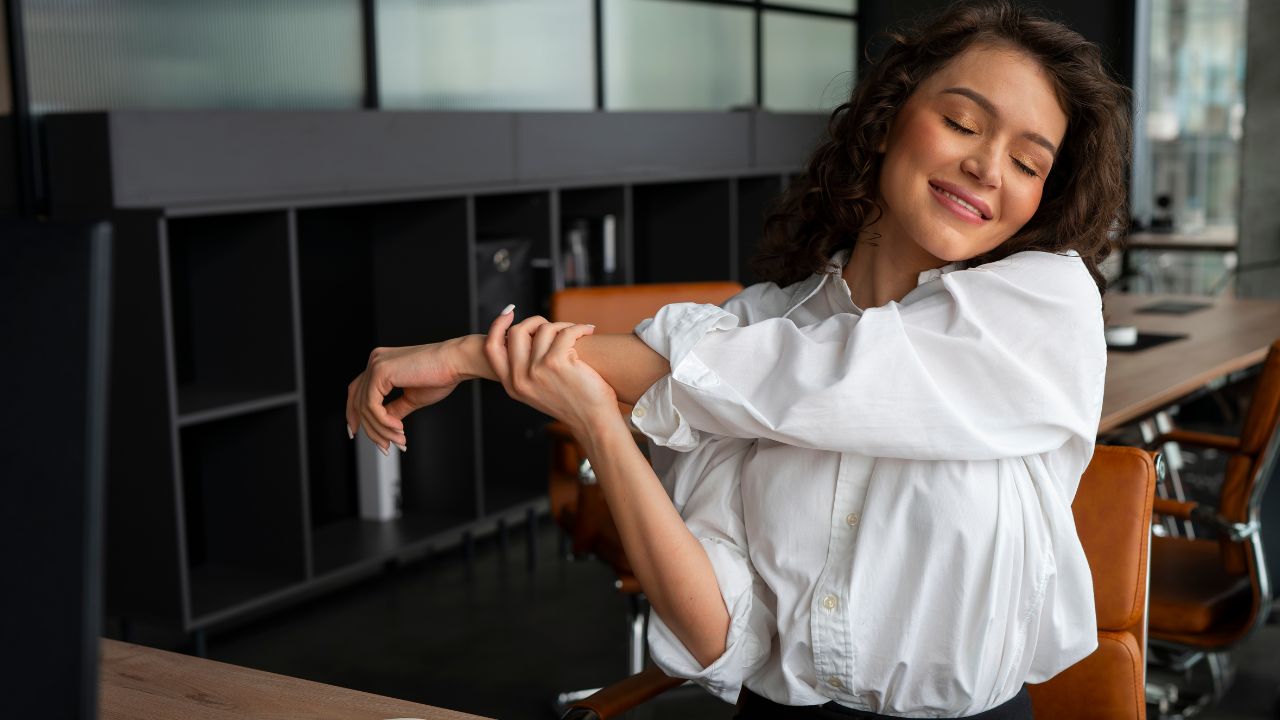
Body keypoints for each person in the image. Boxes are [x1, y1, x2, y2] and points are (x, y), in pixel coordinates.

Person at [345, 1, 1131, 716]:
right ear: (890, 119)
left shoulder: (1046, 306)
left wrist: (472, 355)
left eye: (1029, 163)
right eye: (963, 121)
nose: (990, 168)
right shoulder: (743, 335)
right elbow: (721, 632)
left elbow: (814, 379)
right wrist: (596, 420)